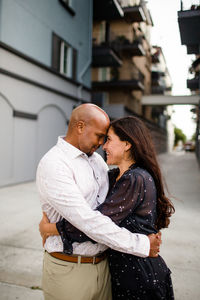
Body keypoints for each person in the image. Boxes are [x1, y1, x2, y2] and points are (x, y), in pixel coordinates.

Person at [39, 115, 175, 300]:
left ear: (127, 144)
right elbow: (91, 218)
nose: (104, 146)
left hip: (138, 274)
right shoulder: (114, 176)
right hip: (117, 270)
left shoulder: (134, 178)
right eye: (102, 138)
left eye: (108, 139)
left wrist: (51, 228)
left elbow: (95, 223)